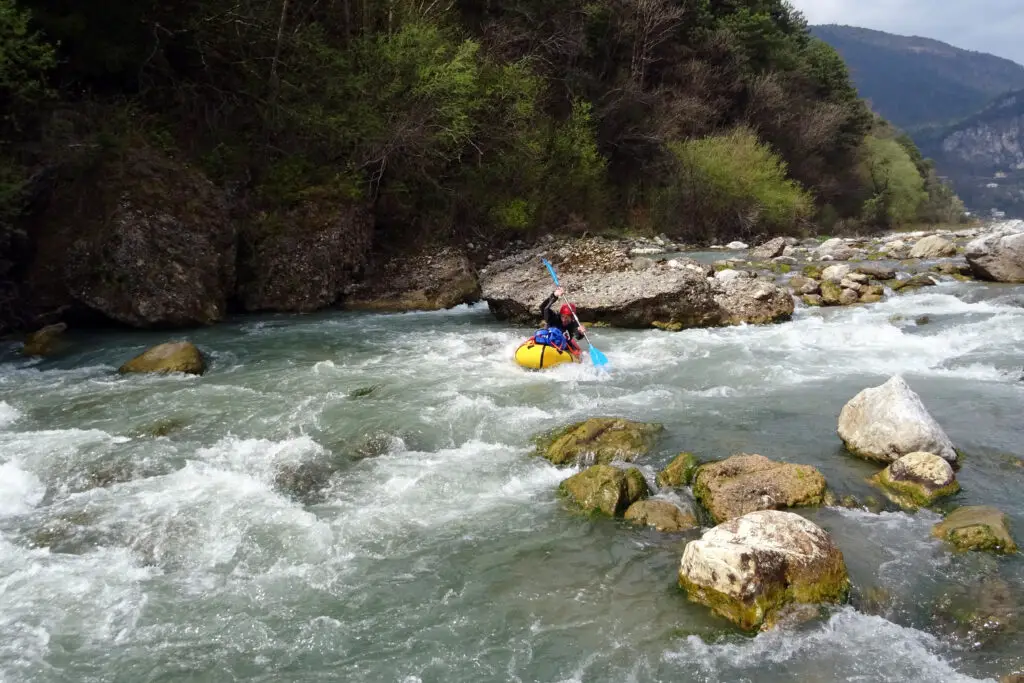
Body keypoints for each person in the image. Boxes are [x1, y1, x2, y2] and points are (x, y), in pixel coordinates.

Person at [539, 287, 586, 353]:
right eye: (562, 316)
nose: (564, 319)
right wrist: (554, 296)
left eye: (567, 318)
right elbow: (543, 307)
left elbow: (578, 336)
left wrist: (581, 332)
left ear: (572, 317)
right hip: (548, 342)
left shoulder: (574, 323)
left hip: (563, 347)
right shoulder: (554, 318)